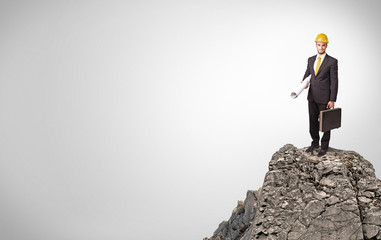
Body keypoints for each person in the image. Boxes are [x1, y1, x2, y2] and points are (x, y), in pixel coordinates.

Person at [302, 33, 338, 157]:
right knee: (312, 121)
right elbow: (308, 73)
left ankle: (324, 146)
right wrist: (304, 82)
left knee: (325, 123)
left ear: (326, 46)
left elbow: (334, 81)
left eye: (323, 45)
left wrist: (332, 99)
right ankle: (315, 143)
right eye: (319, 45)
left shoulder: (332, 61)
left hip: (325, 98)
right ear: (316, 45)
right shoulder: (310, 59)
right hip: (312, 96)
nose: (321, 47)